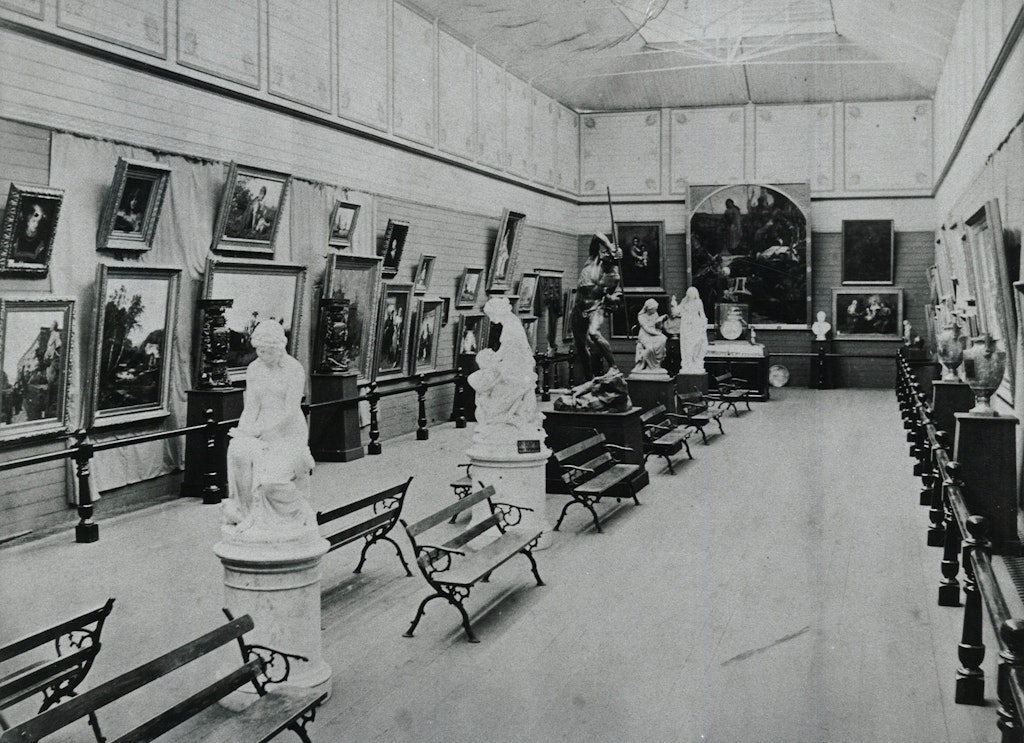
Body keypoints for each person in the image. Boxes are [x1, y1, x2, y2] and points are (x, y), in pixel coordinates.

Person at [223, 321, 316, 540]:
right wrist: (243, 430)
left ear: (280, 347)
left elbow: (290, 410)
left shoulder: (294, 370)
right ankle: (247, 513)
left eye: (267, 351)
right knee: (237, 450)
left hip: (288, 433)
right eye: (259, 350)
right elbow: (251, 407)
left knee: (270, 481)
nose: (262, 355)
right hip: (260, 428)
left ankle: (294, 513)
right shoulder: (254, 368)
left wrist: (260, 431)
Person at [468, 296, 543, 451]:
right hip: (516, 366)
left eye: (491, 315)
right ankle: (503, 418)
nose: (491, 319)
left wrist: (493, 360)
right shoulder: (512, 322)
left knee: (499, 388)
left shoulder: (510, 326)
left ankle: (502, 419)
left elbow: (506, 351)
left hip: (516, 368)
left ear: (497, 312)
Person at [570, 232, 622, 379]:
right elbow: (596, 235)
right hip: (578, 308)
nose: (605, 255)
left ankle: (614, 366)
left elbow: (611, 297)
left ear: (614, 259)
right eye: (605, 252)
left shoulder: (613, 277)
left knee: (594, 333)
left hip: (596, 308)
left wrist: (613, 299)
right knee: (580, 346)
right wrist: (610, 245)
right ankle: (589, 378)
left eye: (610, 255)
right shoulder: (592, 260)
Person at [677, 287, 707, 375]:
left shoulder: (698, 302)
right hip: (686, 325)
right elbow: (678, 312)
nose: (691, 295)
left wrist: (704, 324)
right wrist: (674, 305)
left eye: (693, 293)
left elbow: (702, 314)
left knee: (697, 344)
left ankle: (695, 362)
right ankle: (688, 363)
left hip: (696, 324)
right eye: (690, 293)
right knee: (687, 345)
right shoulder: (684, 302)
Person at [10, 199, 52, 263]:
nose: (36, 224)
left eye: (38, 221)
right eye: (34, 221)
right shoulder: (16, 238)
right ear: (27, 220)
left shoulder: (41, 242)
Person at [632, 298, 667, 374]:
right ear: (648, 309)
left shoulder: (655, 314)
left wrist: (660, 322)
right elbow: (647, 329)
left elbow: (658, 327)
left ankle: (657, 365)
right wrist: (658, 333)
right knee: (650, 348)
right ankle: (650, 366)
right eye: (654, 309)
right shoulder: (641, 316)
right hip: (645, 336)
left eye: (656, 309)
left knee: (663, 339)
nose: (655, 311)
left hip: (654, 333)